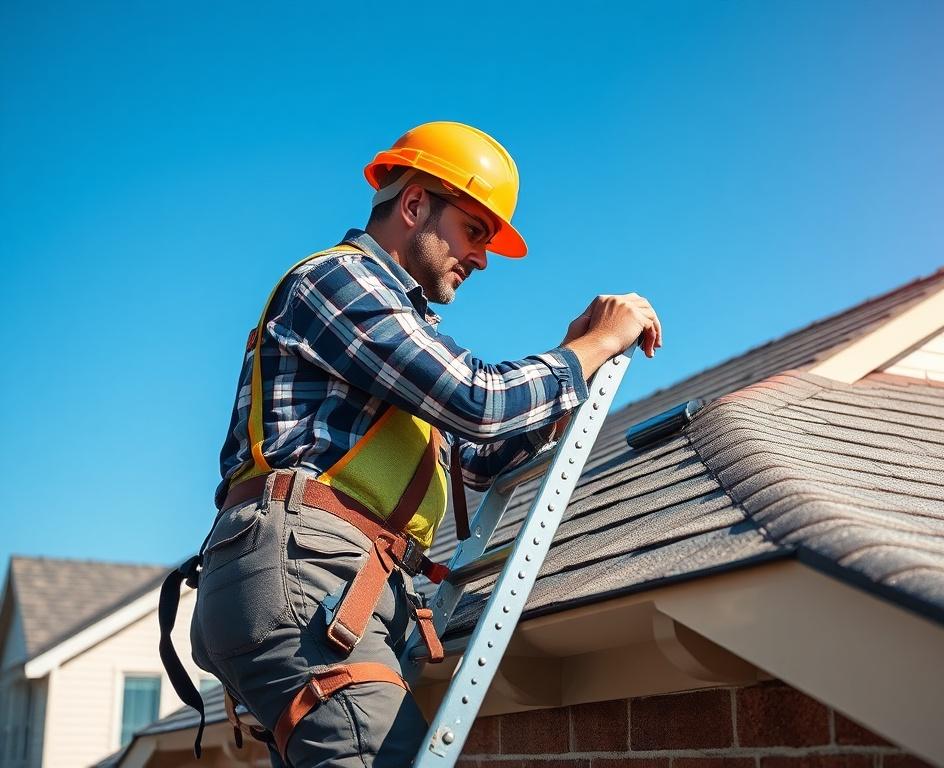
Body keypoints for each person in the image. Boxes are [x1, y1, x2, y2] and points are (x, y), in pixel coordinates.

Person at [182, 121, 662, 767]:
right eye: (475, 231)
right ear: (414, 206)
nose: (483, 258)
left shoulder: (394, 345)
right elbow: (480, 400)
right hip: (305, 573)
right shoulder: (339, 281)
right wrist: (589, 347)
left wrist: (567, 382)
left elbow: (473, 462)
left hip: (330, 579)